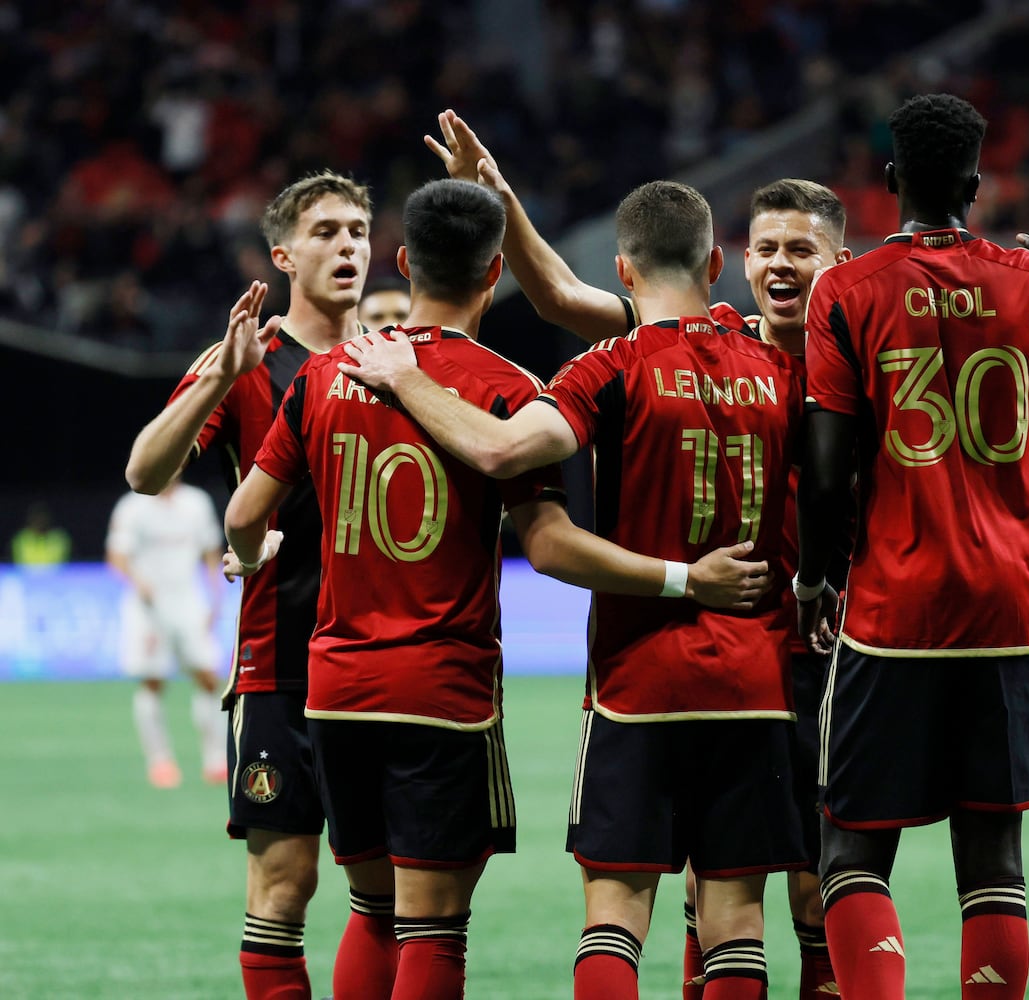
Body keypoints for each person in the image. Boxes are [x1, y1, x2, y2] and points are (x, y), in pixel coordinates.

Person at [224, 177, 769, 1000]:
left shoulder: (328, 374)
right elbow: (548, 547)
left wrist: (252, 548)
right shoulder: (510, 390)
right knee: (433, 929)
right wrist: (684, 578)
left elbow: (241, 516)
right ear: (491, 278)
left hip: (333, 689)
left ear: (403, 262)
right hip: (442, 688)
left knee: (373, 910)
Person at [424, 109, 852, 999]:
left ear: (622, 270)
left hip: (636, 685)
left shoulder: (606, 369)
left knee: (616, 916)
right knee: (735, 922)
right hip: (757, 681)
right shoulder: (780, 370)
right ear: (715, 266)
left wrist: (405, 378)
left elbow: (507, 453)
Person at [794, 93, 1029, 999]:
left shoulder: (844, 292)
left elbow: (823, 471)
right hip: (1009, 605)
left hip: (894, 608)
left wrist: (814, 580)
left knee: (850, 845)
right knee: (994, 853)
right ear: (977, 179)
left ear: (889, 180)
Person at [124, 170, 372, 999]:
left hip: (385, 663)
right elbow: (143, 471)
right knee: (282, 891)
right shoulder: (251, 362)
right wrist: (221, 380)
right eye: (327, 232)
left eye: (359, 231)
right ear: (283, 256)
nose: (348, 247)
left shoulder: (399, 363)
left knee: (397, 904)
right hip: (283, 665)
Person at [105, 477, 227, 788]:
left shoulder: (196, 501)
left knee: (209, 676)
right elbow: (116, 556)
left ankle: (216, 760)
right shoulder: (132, 506)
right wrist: (138, 581)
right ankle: (160, 761)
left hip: (189, 602)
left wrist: (215, 596)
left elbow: (211, 550)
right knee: (153, 681)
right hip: (149, 608)